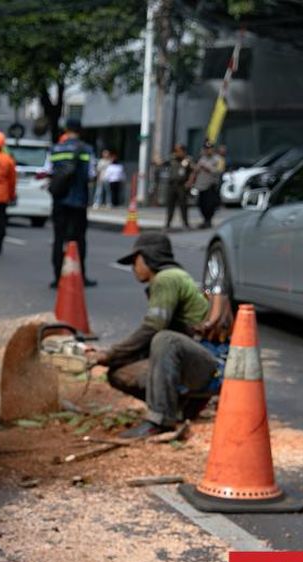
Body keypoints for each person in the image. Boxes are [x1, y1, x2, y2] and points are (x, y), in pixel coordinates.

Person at [86, 233, 222, 439]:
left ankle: (160, 420)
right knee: (119, 372)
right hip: (199, 361)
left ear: (148, 256)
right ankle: (182, 406)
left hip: (211, 366)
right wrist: (114, 357)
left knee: (164, 339)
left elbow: (153, 327)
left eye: (135, 261)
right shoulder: (174, 277)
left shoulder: (166, 279)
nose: (133, 267)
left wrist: (110, 353)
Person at [48, 119, 97, 288]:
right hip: (78, 202)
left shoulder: (55, 149)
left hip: (59, 201)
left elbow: (48, 172)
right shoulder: (86, 150)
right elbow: (91, 174)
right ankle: (80, 276)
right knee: (78, 240)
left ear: (66, 130)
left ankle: (56, 277)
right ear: (80, 130)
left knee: (58, 239)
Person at [190, 142, 222, 229]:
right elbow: (196, 170)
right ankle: (205, 220)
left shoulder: (217, 159)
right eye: (206, 149)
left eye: (209, 148)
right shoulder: (202, 159)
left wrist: (207, 167)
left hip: (210, 185)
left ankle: (208, 221)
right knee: (201, 204)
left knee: (210, 205)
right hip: (201, 185)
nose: (208, 150)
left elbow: (219, 171)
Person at [164, 144, 194, 229]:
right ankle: (168, 223)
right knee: (170, 205)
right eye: (175, 151)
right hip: (172, 184)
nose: (176, 153)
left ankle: (185, 223)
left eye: (178, 151)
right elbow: (163, 163)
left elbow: (193, 171)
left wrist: (189, 182)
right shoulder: (172, 159)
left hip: (181, 185)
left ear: (183, 152)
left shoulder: (187, 160)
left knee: (183, 204)